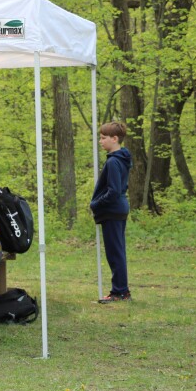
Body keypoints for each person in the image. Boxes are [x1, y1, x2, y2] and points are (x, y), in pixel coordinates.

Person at [90, 122, 133, 303]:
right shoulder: (121, 159)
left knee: (115, 253)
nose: (100, 141)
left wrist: (96, 203)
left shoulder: (114, 161)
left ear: (114, 139)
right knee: (117, 251)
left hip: (113, 210)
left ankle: (120, 292)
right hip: (118, 209)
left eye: (103, 138)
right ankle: (121, 291)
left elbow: (114, 191)